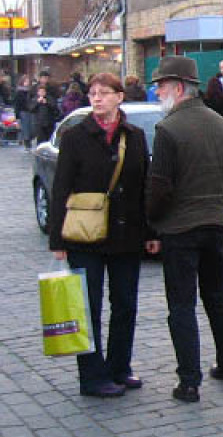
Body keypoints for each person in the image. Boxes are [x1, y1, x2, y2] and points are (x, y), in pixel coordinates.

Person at [47, 72, 156, 398]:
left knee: (125, 304)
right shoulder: (75, 137)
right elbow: (61, 188)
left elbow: (143, 187)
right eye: (93, 93)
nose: (97, 98)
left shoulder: (134, 136)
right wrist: (57, 239)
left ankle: (120, 368)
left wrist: (151, 232)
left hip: (126, 236)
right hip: (85, 237)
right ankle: (92, 376)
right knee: (88, 307)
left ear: (119, 97)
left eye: (104, 93)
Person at [145, 56, 223, 403]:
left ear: (177, 88)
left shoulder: (168, 129)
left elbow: (159, 187)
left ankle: (189, 381)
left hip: (179, 229)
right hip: (215, 225)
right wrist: (217, 204)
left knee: (182, 305)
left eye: (160, 86)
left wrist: (154, 224)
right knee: (218, 300)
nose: (157, 92)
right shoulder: (222, 125)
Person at [14, 74, 34, 150]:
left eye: (28, 81)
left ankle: (26, 139)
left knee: (32, 128)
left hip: (31, 111)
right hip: (23, 111)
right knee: (26, 128)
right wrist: (17, 116)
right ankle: (27, 143)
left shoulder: (31, 91)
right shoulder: (19, 92)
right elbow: (17, 104)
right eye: (25, 81)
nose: (27, 83)